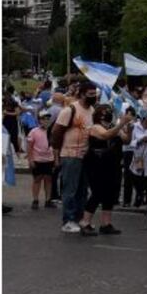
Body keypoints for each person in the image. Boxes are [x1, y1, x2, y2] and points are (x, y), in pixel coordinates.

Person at [51, 81, 99, 233]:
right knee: (70, 190)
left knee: (82, 190)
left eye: (95, 94)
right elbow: (56, 132)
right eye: (90, 94)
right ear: (82, 94)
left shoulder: (92, 110)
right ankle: (68, 220)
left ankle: (79, 219)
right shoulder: (69, 110)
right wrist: (57, 153)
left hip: (86, 156)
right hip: (70, 155)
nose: (94, 96)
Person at [78, 104, 133, 236]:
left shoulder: (113, 126)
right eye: (105, 112)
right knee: (98, 192)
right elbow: (105, 135)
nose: (108, 114)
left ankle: (106, 224)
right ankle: (85, 222)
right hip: (97, 164)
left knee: (110, 194)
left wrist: (129, 129)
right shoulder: (95, 127)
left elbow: (126, 141)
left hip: (112, 164)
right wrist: (121, 124)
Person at [26, 110, 56, 209]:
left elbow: (55, 146)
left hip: (49, 160)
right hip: (37, 160)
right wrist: (30, 160)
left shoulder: (52, 131)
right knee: (37, 179)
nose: (46, 121)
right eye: (44, 119)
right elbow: (29, 147)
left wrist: (56, 159)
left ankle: (48, 200)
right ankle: (35, 200)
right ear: (39, 120)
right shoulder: (34, 132)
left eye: (48, 119)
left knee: (49, 179)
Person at [128, 112, 147, 208]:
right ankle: (139, 196)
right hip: (138, 158)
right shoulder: (134, 127)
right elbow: (130, 143)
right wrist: (139, 140)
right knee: (137, 179)